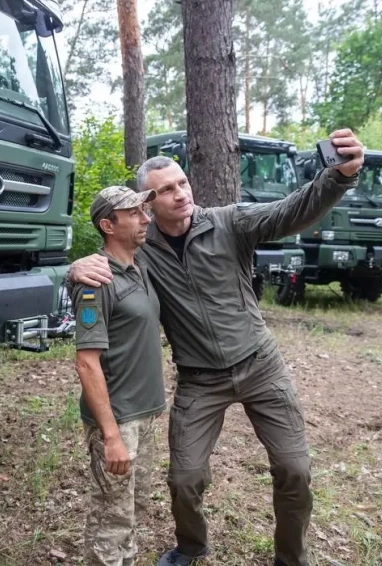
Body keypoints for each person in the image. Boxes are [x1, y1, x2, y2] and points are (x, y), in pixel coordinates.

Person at [69, 130, 365, 566]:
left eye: (183, 182)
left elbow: (290, 211)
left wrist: (339, 176)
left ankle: (292, 558)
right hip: (200, 379)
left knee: (295, 469)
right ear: (148, 203)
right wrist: (74, 267)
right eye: (166, 190)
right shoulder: (141, 250)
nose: (180, 194)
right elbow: (104, 261)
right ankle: (191, 546)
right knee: (184, 478)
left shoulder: (230, 222)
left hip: (261, 366)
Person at [72, 186, 167, 566]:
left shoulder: (140, 267)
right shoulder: (97, 281)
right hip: (119, 419)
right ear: (108, 225)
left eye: (145, 211)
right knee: (111, 521)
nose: (146, 218)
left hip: (144, 414)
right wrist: (110, 436)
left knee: (132, 509)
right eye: (135, 213)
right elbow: (86, 363)